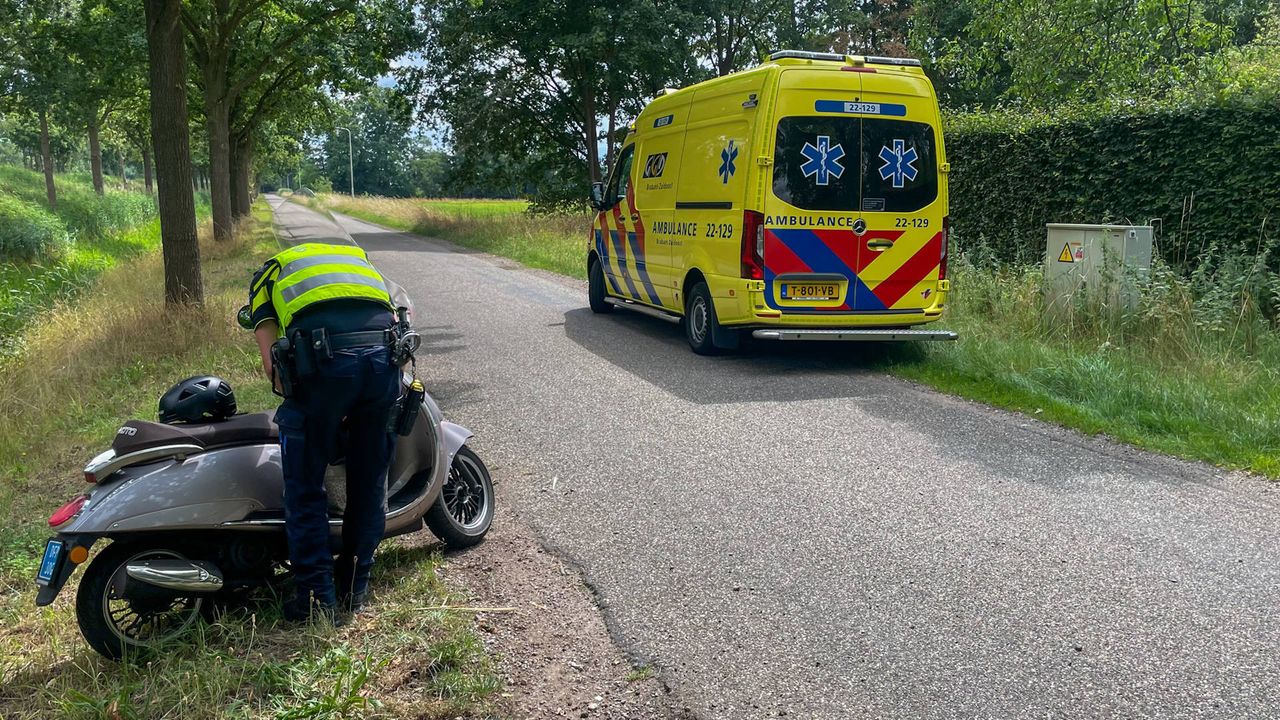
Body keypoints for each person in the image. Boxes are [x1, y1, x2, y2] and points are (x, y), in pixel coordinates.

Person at [247, 242, 402, 622]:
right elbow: (401, 312)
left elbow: (273, 368)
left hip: (325, 364)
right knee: (369, 481)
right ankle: (357, 588)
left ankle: (316, 600)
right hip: (385, 361)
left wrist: (316, 407)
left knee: (304, 488)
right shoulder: (360, 263)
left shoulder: (269, 273)